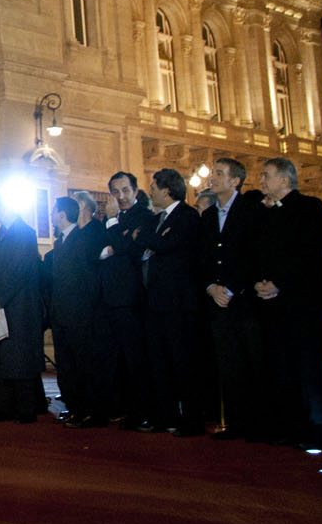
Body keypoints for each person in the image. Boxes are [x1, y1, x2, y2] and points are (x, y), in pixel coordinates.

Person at [253, 156, 322, 447]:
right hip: (272, 305)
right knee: (281, 367)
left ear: (285, 180)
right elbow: (258, 254)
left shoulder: (310, 207)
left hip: (301, 304)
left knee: (308, 367)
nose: (261, 180)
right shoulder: (267, 214)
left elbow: (308, 255)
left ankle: (319, 426)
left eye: (266, 175)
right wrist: (260, 283)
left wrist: (279, 284)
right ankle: (291, 425)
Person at [202, 157, 272, 441]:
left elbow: (253, 255)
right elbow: (203, 257)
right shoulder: (207, 217)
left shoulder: (251, 211)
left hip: (243, 300)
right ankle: (235, 421)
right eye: (213, 173)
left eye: (220, 173)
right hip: (216, 300)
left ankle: (259, 423)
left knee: (252, 362)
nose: (212, 177)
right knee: (228, 364)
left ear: (235, 181)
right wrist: (210, 286)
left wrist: (230, 288)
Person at [142, 167, 207, 436]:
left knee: (183, 363)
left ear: (168, 190)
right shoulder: (159, 219)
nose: (151, 191)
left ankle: (192, 419)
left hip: (179, 305)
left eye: (154, 186)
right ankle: (166, 415)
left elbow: (163, 245)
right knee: (160, 362)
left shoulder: (186, 217)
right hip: (156, 303)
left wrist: (145, 238)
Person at [44, 193, 106, 428]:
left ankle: (90, 412)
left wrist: (83, 311)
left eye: (53, 212)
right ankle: (75, 408)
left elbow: (88, 280)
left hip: (79, 314)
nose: (50, 216)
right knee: (66, 366)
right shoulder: (59, 242)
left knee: (83, 365)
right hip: (61, 314)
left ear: (62, 215)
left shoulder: (83, 239)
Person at [0, 203, 42, 423]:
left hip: (20, 305)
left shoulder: (25, 233)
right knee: (1, 356)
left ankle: (26, 408)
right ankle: (3, 406)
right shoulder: (1, 234)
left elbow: (20, 270)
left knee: (20, 357)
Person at [100, 172, 154, 430]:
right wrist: (116, 242)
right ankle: (120, 407)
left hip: (132, 297)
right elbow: (103, 250)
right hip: (110, 297)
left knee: (135, 357)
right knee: (116, 358)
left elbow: (129, 250)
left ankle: (142, 410)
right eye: (115, 192)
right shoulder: (111, 221)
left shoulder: (143, 216)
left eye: (125, 190)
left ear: (135, 190)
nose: (120, 197)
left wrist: (114, 231)